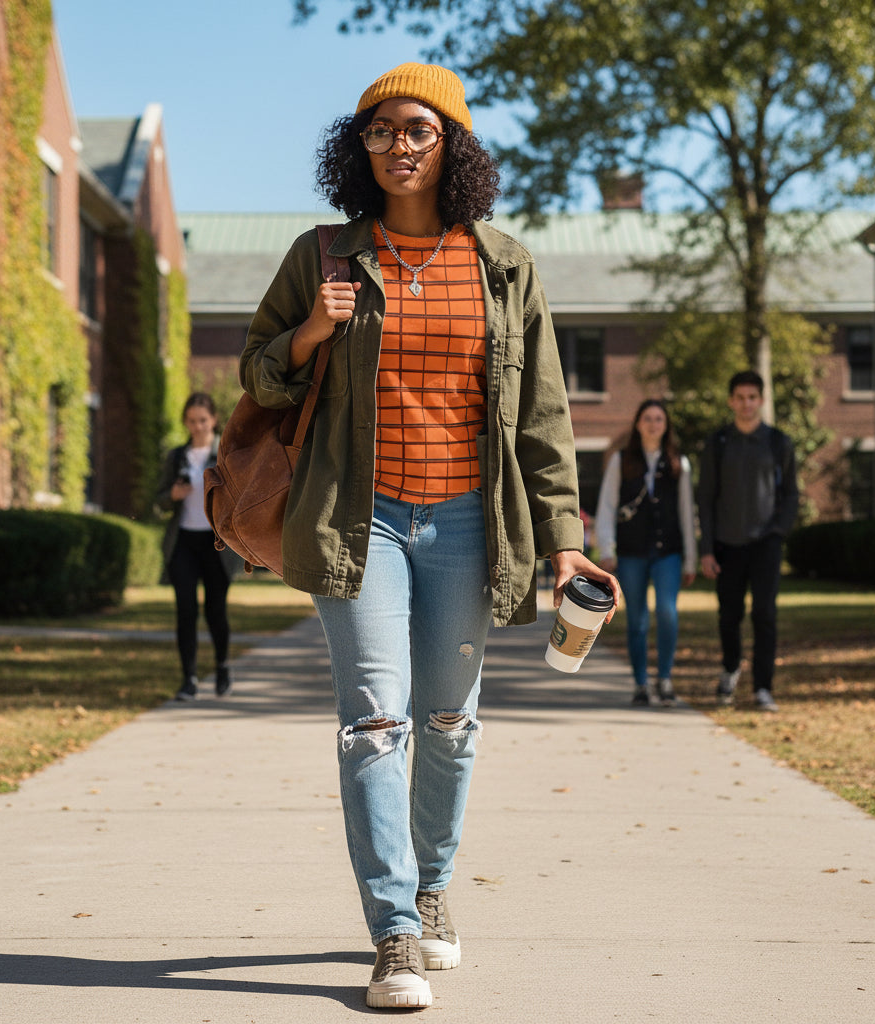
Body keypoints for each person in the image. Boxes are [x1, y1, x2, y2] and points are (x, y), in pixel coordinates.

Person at [239, 62, 620, 1010]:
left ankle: (434, 885)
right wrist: (308, 335)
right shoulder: (324, 256)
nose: (397, 146)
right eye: (379, 130)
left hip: (465, 523)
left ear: (452, 145)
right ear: (357, 147)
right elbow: (257, 374)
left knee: (449, 722)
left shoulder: (503, 264)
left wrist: (564, 539)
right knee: (375, 721)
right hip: (357, 519)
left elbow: (543, 415)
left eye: (417, 129)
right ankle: (395, 932)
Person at [696, 370, 799, 712]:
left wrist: (779, 531)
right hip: (727, 544)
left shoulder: (778, 442)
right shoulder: (718, 443)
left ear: (762, 400)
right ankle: (730, 669)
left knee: (765, 614)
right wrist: (707, 549)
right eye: (740, 398)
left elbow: (791, 493)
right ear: (731, 401)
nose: (746, 404)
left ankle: (763, 688)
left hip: (766, 543)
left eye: (752, 397)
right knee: (729, 616)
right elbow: (706, 498)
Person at [595, 399, 697, 706]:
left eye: (659, 419)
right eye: (648, 418)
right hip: (631, 552)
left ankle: (664, 679)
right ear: (638, 424)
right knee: (637, 620)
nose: (653, 424)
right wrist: (607, 548)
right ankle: (641, 683)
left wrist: (691, 559)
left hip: (668, 551)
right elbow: (607, 505)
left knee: (667, 612)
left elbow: (686, 512)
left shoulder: (679, 463)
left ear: (666, 426)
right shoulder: (621, 460)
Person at [156, 392, 243, 702]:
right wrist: (172, 496)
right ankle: (189, 679)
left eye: (203, 420)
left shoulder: (225, 454)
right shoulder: (176, 457)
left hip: (216, 543)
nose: (197, 426)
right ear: (185, 422)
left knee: (215, 610)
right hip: (183, 542)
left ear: (214, 420)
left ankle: (222, 667)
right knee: (186, 610)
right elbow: (159, 500)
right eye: (191, 421)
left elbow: (240, 495)